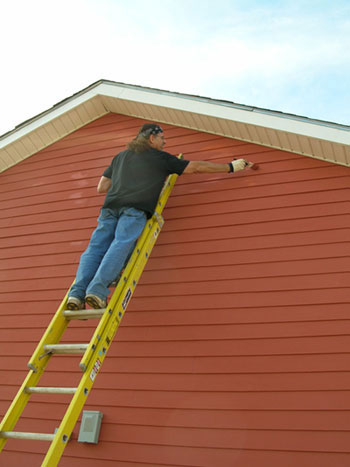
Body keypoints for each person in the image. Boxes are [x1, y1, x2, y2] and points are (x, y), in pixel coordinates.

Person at [67, 123, 249, 310]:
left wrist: (126, 181)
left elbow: (102, 187)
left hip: (109, 209)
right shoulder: (159, 158)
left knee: (95, 249)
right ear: (151, 138)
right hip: (134, 209)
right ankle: (96, 291)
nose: (164, 142)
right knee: (120, 244)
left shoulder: (120, 157)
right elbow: (195, 167)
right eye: (162, 138)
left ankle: (76, 294)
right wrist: (230, 167)